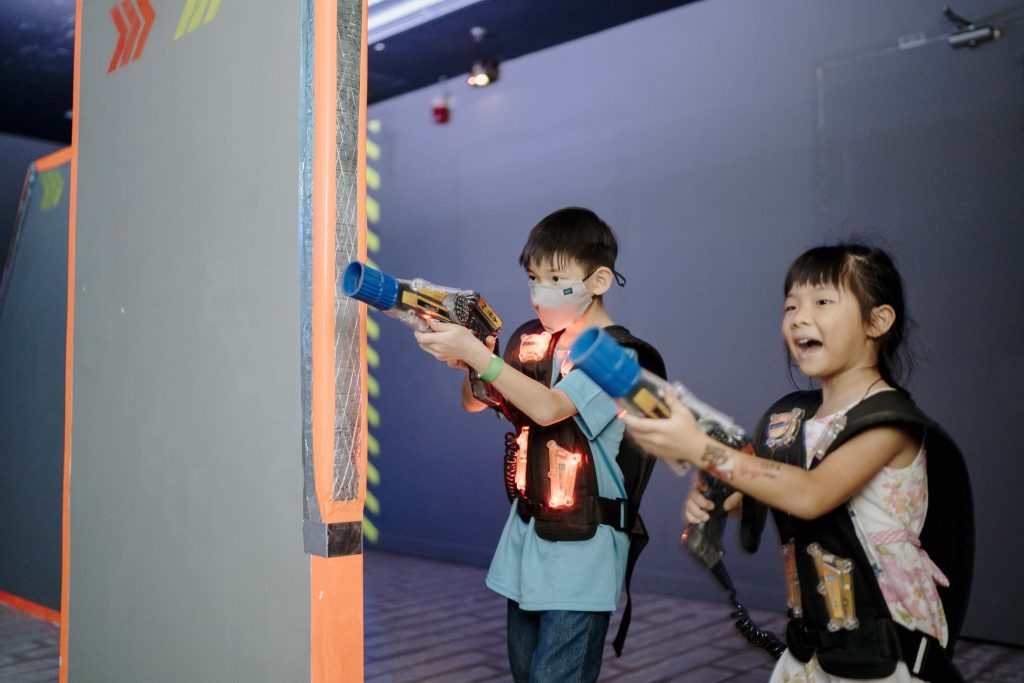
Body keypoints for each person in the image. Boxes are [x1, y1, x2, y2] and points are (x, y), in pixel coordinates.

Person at [622, 243, 973, 682]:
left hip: (884, 648)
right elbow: (756, 493)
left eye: (822, 302)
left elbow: (812, 494)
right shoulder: (789, 419)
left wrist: (700, 448)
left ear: (877, 321)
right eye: (791, 306)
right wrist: (717, 494)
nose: (799, 318)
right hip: (814, 644)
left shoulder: (889, 422)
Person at [414, 207, 665, 682]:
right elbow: (475, 401)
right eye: (533, 278)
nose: (539, 291)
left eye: (555, 278)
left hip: (583, 553)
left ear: (599, 280)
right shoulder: (534, 343)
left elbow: (551, 408)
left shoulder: (618, 355)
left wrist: (478, 357)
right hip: (528, 543)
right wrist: (474, 358)